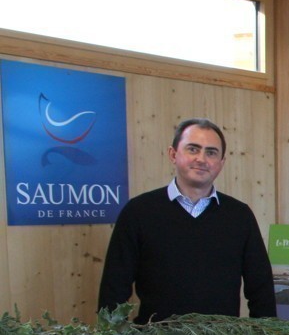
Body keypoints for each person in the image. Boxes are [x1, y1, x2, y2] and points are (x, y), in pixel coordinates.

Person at [98, 118, 276, 322]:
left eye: (211, 152)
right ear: (173, 154)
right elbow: (114, 287)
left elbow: (260, 287)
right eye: (193, 149)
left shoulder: (240, 216)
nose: (201, 159)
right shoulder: (138, 212)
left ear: (221, 163)